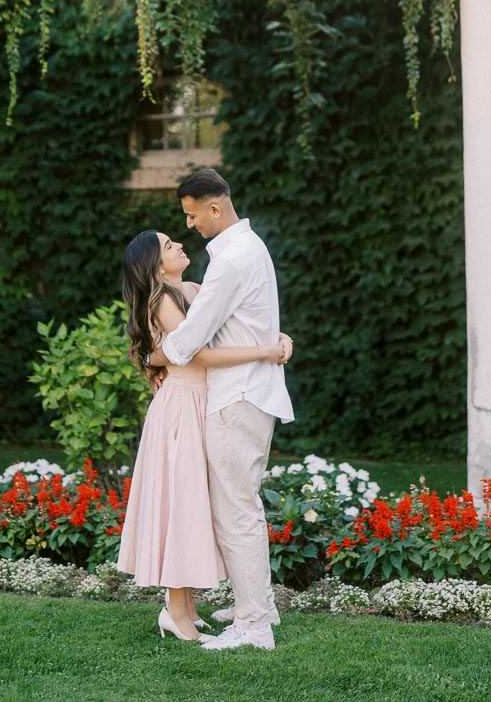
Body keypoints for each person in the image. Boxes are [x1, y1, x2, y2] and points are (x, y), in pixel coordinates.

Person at [117, 227, 289, 642]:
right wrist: (265, 350)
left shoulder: (193, 287)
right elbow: (201, 352)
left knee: (193, 502)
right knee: (181, 504)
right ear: (157, 264)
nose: (179, 244)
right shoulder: (162, 302)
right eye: (168, 245)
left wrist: (275, 334)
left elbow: (230, 327)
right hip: (182, 406)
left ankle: (187, 609)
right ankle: (175, 611)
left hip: (202, 401)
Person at [148, 168, 295, 652]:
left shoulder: (230, 260)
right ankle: (258, 605)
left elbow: (187, 342)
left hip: (237, 396)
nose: (190, 225)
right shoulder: (248, 249)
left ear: (215, 208)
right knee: (240, 507)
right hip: (246, 392)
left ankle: (254, 626)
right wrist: (269, 343)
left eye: (192, 215)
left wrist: (152, 355)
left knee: (236, 513)